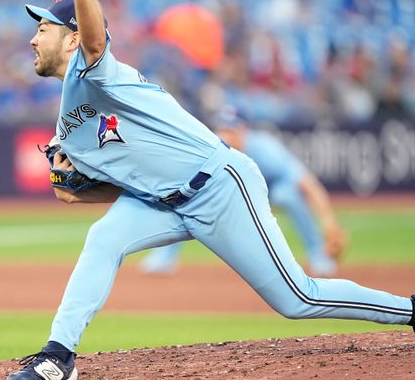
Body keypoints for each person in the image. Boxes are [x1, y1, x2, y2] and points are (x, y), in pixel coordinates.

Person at [5, 0, 415, 380]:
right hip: (159, 201)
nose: (32, 38)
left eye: (43, 28)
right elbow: (75, 190)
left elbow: (93, 38)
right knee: (103, 237)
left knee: (298, 298)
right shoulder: (66, 126)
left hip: (219, 186)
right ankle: (58, 355)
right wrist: (71, 186)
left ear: (67, 41)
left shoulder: (97, 71)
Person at [140, 114, 345, 277]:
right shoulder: (213, 149)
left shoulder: (264, 148)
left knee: (288, 196)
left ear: (244, 131)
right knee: (191, 198)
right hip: (238, 191)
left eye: (231, 129)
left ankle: (317, 254)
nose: (225, 135)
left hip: (271, 191)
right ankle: (165, 256)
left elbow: (307, 183)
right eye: (221, 129)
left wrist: (329, 222)